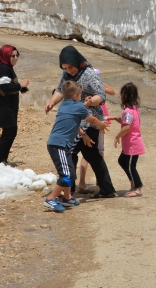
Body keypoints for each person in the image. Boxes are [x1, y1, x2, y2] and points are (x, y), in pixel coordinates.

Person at [45, 46, 116, 198]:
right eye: (65, 68)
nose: (68, 70)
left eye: (70, 67)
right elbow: (60, 90)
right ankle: (104, 188)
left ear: (77, 62)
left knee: (70, 153)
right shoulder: (65, 74)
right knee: (90, 155)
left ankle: (67, 189)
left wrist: (91, 102)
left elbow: (101, 95)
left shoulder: (90, 74)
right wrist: (52, 103)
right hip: (75, 122)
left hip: (90, 120)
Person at [44, 81, 108, 212]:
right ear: (75, 96)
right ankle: (51, 198)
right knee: (66, 175)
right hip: (59, 145)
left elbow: (73, 123)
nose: (81, 96)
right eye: (80, 94)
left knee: (70, 172)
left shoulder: (64, 105)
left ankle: (67, 197)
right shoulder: (78, 107)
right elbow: (93, 120)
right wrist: (101, 125)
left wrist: (84, 135)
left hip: (61, 145)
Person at [0, 45, 29, 164]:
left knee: (11, 131)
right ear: (5, 56)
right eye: (12, 56)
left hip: (8, 105)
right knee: (9, 132)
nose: (16, 58)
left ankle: (2, 159)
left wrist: (21, 88)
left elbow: (9, 84)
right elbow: (4, 87)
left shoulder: (7, 67)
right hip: (4, 106)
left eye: (17, 55)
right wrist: (20, 85)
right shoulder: (3, 68)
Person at [76, 69, 116, 194]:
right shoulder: (86, 91)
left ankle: (76, 186)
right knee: (91, 154)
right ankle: (100, 186)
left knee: (91, 153)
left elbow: (112, 92)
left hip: (96, 124)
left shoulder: (93, 89)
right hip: (96, 124)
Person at [109, 83, 146, 198]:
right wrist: (116, 118)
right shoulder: (133, 109)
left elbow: (126, 127)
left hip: (132, 144)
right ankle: (133, 183)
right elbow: (127, 122)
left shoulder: (128, 111)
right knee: (122, 161)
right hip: (131, 143)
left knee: (131, 166)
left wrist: (117, 136)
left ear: (124, 96)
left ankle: (138, 187)